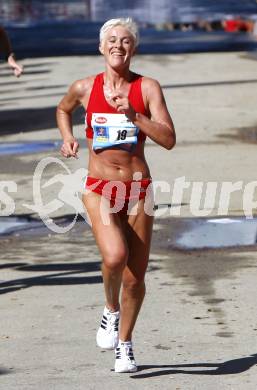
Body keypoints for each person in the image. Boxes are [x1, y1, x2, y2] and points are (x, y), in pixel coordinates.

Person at [57, 17, 176, 373]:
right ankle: (110, 310)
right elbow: (63, 109)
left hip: (140, 190)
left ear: (133, 48)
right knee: (115, 256)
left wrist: (135, 115)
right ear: (100, 47)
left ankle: (124, 345)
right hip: (100, 187)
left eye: (125, 41)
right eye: (111, 40)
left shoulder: (148, 88)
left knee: (135, 277)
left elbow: (169, 139)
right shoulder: (84, 87)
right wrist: (67, 137)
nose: (118, 45)